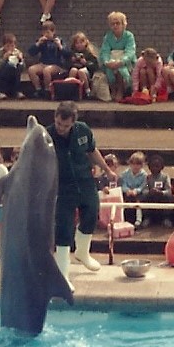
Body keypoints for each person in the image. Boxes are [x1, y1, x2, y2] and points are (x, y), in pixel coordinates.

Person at [49, 101, 115, 283]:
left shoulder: (83, 130)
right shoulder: (46, 135)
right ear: (55, 118)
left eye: (66, 125)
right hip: (62, 185)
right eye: (59, 124)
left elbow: (92, 151)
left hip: (85, 180)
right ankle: (62, 273)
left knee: (92, 214)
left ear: (73, 122)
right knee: (64, 226)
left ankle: (82, 252)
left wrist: (107, 170)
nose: (61, 128)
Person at [100, 11, 137, 100]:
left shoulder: (129, 36)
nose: (115, 26)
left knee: (121, 70)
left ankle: (120, 90)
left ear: (123, 24)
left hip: (125, 62)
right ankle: (113, 89)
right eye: (113, 24)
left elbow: (130, 51)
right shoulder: (107, 36)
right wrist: (106, 61)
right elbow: (105, 51)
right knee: (109, 70)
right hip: (111, 60)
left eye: (118, 23)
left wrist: (121, 61)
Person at [28, 20, 67, 97]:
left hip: (56, 65)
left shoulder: (59, 41)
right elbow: (31, 53)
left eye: (48, 32)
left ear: (53, 32)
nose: (46, 34)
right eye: (44, 32)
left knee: (47, 70)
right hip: (43, 63)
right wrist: (38, 44)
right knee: (31, 69)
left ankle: (47, 90)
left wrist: (60, 46)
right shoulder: (42, 41)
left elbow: (67, 54)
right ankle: (38, 89)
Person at [140, 154, 174, 228]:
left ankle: (166, 218)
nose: (155, 168)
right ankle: (147, 218)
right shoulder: (147, 177)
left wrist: (161, 192)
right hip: (151, 197)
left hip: (162, 197)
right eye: (153, 166)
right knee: (143, 197)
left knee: (169, 197)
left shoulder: (165, 177)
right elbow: (144, 189)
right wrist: (150, 192)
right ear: (149, 167)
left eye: (157, 166)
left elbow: (169, 190)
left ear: (162, 167)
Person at [65, 31, 100, 95]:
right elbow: (66, 65)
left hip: (86, 72)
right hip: (75, 69)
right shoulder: (72, 53)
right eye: (77, 43)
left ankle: (87, 90)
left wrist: (86, 63)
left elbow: (95, 66)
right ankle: (69, 89)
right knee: (73, 70)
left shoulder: (89, 53)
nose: (79, 45)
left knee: (81, 71)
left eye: (81, 42)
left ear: (85, 43)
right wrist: (72, 61)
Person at [119, 151, 148, 227]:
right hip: (127, 193)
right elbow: (123, 184)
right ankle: (121, 219)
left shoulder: (144, 175)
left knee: (138, 201)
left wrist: (136, 190)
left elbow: (143, 185)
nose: (135, 166)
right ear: (130, 164)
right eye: (133, 163)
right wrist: (127, 190)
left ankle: (138, 220)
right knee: (122, 200)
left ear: (142, 165)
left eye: (138, 164)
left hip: (138, 194)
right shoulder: (125, 174)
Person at [0, 33, 26, 100]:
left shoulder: (17, 52)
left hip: (13, 72)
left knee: (17, 68)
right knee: (9, 66)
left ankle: (17, 91)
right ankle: (0, 91)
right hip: (1, 71)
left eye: (12, 46)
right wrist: (4, 58)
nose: (10, 48)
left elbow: (23, 68)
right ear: (3, 45)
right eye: (8, 46)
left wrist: (20, 60)